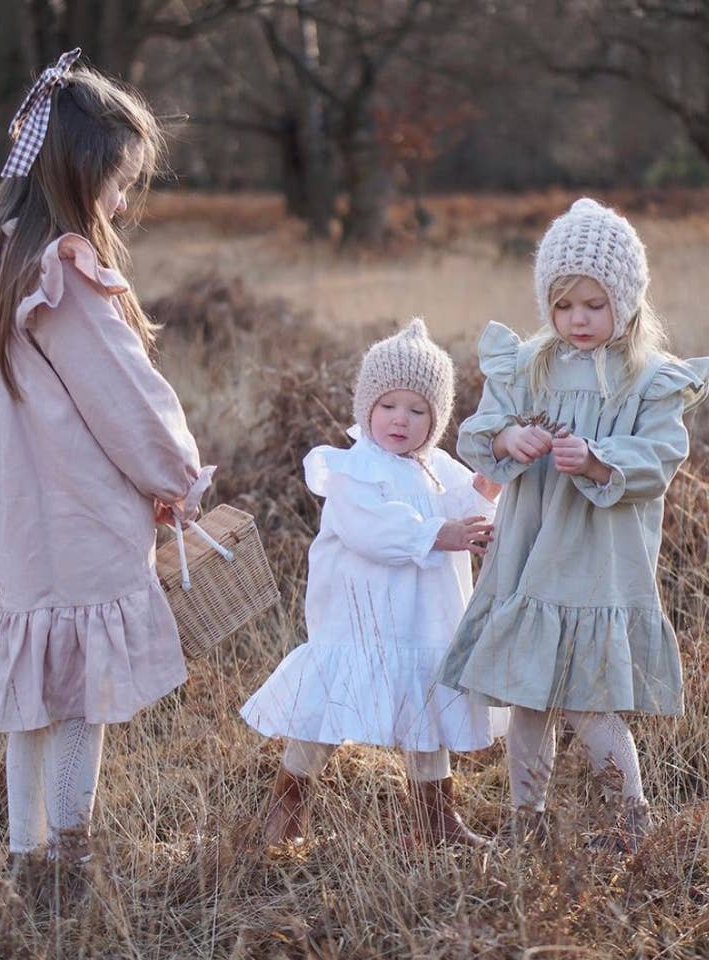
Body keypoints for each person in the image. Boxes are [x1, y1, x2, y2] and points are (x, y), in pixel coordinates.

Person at [0, 49, 213, 876]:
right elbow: (126, 396)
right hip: (76, 513)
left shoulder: (1, 254)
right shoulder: (67, 274)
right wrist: (178, 477)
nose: (124, 198)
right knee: (80, 693)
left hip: (14, 519)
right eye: (118, 180)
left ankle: (26, 855)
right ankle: (71, 855)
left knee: (28, 698)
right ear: (78, 171)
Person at [438, 198, 709, 851]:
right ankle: (527, 820)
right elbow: (479, 431)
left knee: (590, 700)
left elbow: (660, 458)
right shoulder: (528, 363)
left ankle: (629, 821)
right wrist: (511, 438)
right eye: (563, 306)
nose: (578, 320)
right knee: (528, 696)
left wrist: (595, 457)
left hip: (597, 558)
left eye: (594, 304)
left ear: (627, 300)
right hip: (531, 551)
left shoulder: (648, 378)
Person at [241, 317, 507, 847]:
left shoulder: (438, 468)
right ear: (367, 408)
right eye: (388, 406)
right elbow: (374, 530)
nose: (400, 420)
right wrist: (440, 532)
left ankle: (436, 824)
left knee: (428, 715)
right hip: (360, 621)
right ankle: (286, 810)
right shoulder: (353, 469)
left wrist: (484, 491)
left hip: (423, 621)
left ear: (435, 419)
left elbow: (456, 508)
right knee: (323, 713)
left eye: (417, 410)